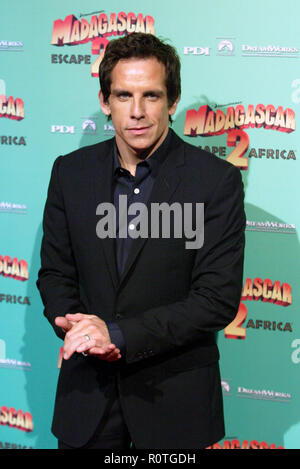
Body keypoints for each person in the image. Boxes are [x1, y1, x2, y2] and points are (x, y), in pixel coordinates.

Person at [37, 32, 245, 449]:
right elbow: (56, 273)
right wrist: (76, 327)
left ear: (172, 101)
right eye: (123, 95)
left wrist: (119, 335)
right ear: (104, 102)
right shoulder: (69, 173)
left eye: (151, 95)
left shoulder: (215, 181)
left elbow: (216, 299)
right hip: (88, 399)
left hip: (174, 401)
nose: (137, 112)